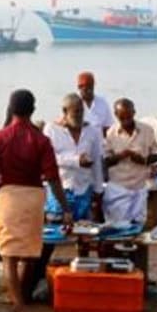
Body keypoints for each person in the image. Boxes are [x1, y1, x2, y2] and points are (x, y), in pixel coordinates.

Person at [0, 89, 71, 312]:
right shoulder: (41, 141)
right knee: (27, 256)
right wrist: (65, 209)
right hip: (33, 198)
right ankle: (17, 306)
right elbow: (53, 178)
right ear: (33, 110)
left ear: (10, 108)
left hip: (9, 196)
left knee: (8, 256)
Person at [43, 93, 105, 221]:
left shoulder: (92, 131)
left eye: (81, 111)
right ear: (65, 111)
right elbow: (50, 159)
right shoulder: (52, 129)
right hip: (60, 190)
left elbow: (97, 161)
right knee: (56, 231)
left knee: (84, 233)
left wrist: (98, 191)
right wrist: (76, 161)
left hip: (84, 191)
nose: (79, 115)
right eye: (75, 112)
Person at [103, 97, 157, 225]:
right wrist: (121, 155)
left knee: (138, 227)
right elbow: (106, 161)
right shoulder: (111, 133)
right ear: (116, 115)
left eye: (128, 117)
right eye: (122, 118)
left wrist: (143, 160)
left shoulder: (147, 130)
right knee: (117, 228)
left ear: (134, 113)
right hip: (118, 188)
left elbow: (156, 154)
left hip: (139, 187)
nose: (126, 121)